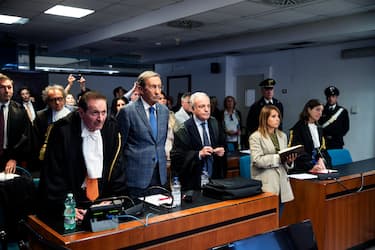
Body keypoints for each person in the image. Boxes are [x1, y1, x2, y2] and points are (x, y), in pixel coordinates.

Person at [37, 91, 127, 224]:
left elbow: (116, 167)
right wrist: (66, 207)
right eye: (94, 113)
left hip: (100, 202)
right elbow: (53, 173)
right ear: (81, 112)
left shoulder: (111, 127)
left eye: (103, 112)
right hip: (71, 203)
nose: (100, 118)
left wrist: (112, 200)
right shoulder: (62, 130)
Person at [117, 71, 169, 197]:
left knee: (160, 215)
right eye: (153, 87)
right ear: (140, 89)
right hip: (136, 178)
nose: (158, 91)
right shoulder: (128, 112)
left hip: (160, 175)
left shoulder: (164, 111)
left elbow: (160, 142)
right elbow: (119, 148)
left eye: (159, 87)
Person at [170, 92, 227, 191]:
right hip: (193, 182)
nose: (206, 109)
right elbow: (177, 157)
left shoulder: (214, 123)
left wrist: (222, 150)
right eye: (202, 106)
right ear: (192, 109)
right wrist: (199, 154)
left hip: (215, 180)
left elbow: (223, 144)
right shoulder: (183, 129)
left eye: (208, 106)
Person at [249, 105, 296, 213]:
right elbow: (257, 160)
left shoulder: (282, 135)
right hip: (267, 183)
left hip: (282, 184)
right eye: (273, 116)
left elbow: (285, 162)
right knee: (268, 221)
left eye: (278, 116)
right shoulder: (256, 137)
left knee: (278, 220)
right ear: (265, 118)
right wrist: (278, 158)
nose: (277, 119)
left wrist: (289, 161)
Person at [0, 74, 32, 173]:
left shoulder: (20, 110)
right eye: (2, 87)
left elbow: (25, 136)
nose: (6, 91)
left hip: (10, 157)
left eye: (9, 87)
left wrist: (14, 157)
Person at [288, 99, 332, 174]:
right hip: (303, 169)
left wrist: (322, 160)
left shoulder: (319, 128)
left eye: (321, 110)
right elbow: (298, 153)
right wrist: (312, 166)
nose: (320, 113)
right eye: (317, 110)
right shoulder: (298, 129)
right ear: (309, 110)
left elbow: (322, 150)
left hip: (318, 168)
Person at [34, 85, 71, 153]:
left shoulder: (74, 113)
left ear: (64, 98)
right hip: (51, 154)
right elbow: (37, 140)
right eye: (53, 100)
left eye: (59, 98)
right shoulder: (41, 116)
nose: (57, 103)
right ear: (47, 101)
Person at [158, 91, 176, 161]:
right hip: (160, 148)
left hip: (170, 145)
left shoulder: (171, 114)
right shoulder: (152, 115)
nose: (163, 100)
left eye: (164, 98)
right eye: (160, 98)